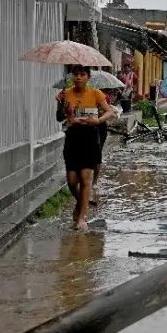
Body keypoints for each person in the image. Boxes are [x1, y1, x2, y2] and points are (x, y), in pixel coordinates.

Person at [59, 65, 114, 231]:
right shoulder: (65, 93)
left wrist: (97, 121)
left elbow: (109, 112)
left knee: (85, 178)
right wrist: (64, 109)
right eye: (75, 74)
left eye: (82, 74)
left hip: (89, 137)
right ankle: (81, 202)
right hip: (72, 138)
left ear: (88, 77)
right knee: (71, 180)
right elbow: (59, 117)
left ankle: (82, 217)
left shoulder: (95, 93)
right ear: (72, 77)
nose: (78, 77)